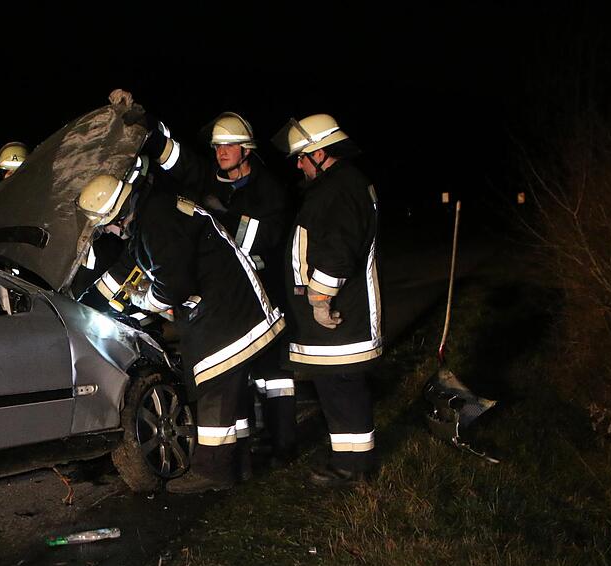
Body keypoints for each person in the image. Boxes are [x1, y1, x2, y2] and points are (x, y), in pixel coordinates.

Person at [109, 89, 296, 472]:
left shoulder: (269, 191)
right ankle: (241, 453)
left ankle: (282, 446)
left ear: (247, 150)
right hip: (228, 293)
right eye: (217, 147)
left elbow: (261, 239)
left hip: (264, 291)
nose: (220, 153)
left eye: (229, 147)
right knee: (234, 381)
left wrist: (213, 229)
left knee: (274, 380)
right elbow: (174, 158)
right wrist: (140, 121)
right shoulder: (209, 181)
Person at [77, 168, 285, 494]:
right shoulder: (152, 213)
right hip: (230, 308)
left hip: (226, 313)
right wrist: (84, 304)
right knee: (230, 394)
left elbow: (172, 285)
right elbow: (124, 270)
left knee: (214, 389)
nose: (111, 232)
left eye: (107, 225)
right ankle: (238, 465)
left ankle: (211, 471)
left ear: (116, 215)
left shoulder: (155, 222)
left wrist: (143, 299)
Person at [271, 113, 383, 487]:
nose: (299, 163)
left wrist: (320, 297)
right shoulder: (339, 185)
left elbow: (337, 250)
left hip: (341, 313)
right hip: (339, 314)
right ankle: (348, 461)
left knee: (343, 388)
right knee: (336, 389)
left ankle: (355, 467)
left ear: (322, 152)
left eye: (303, 155)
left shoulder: (339, 188)